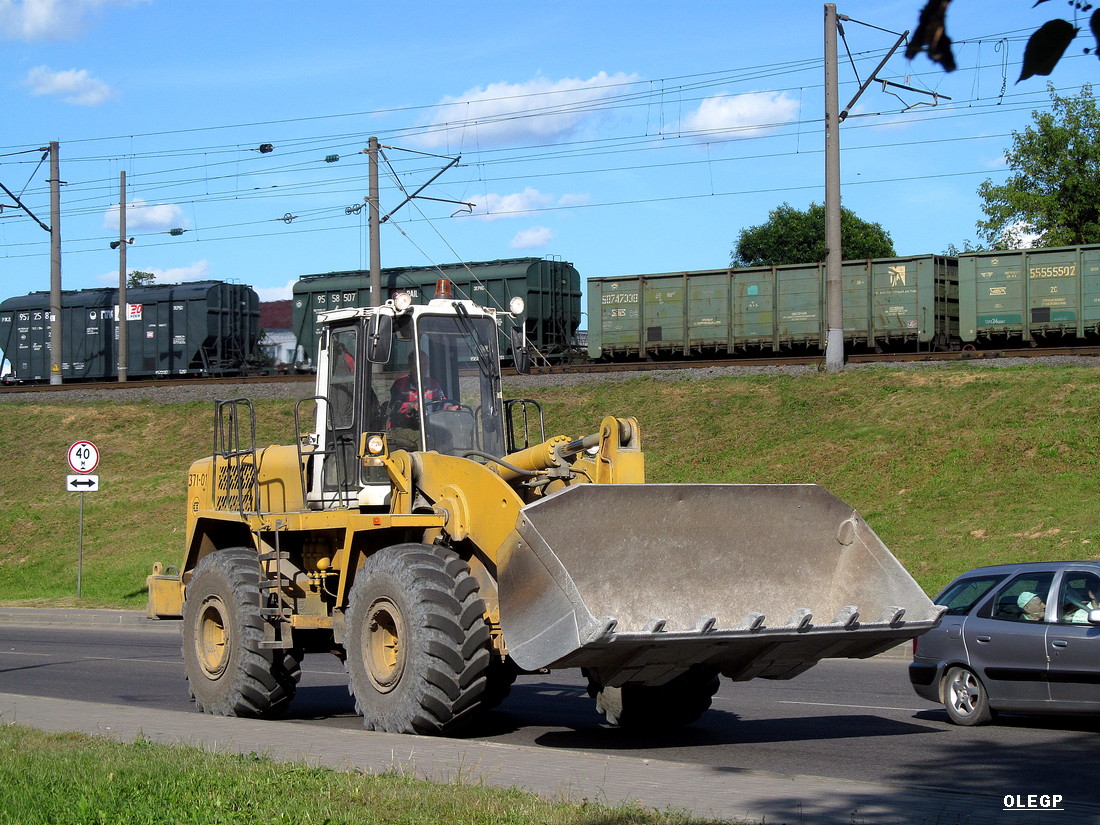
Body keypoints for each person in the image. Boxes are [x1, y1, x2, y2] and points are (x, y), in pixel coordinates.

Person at [388, 350, 455, 430]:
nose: (422, 368)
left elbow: (441, 402)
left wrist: (450, 407)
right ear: (410, 365)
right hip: (404, 428)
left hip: (429, 427)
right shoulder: (400, 384)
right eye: (418, 364)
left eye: (425, 364)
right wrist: (411, 406)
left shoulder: (434, 385)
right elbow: (394, 406)